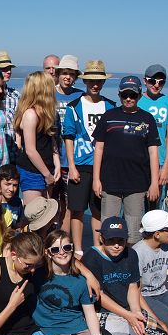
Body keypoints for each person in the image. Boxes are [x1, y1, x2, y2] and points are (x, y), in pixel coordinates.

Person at [92, 76, 160, 245]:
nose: (128, 98)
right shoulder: (108, 116)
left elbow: (153, 152)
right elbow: (98, 149)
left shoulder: (147, 119)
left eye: (133, 95)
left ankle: (132, 258)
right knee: (109, 229)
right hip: (110, 181)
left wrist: (154, 183)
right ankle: (108, 258)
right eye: (125, 95)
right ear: (119, 95)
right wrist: (96, 179)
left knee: (134, 232)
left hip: (137, 183)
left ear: (139, 95)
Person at [65, 60, 115, 254]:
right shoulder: (74, 106)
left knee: (98, 210)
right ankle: (78, 250)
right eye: (91, 80)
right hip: (80, 164)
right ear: (85, 81)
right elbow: (68, 137)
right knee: (77, 209)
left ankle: (98, 248)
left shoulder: (110, 106)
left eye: (99, 81)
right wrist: (71, 166)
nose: (95, 84)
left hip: (103, 166)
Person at [13, 72, 59, 204]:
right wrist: (47, 175)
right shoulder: (30, 114)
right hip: (33, 171)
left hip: (47, 168)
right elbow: (30, 150)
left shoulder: (47, 112)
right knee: (34, 213)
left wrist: (57, 164)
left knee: (48, 212)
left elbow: (51, 140)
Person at [139, 64, 168, 209]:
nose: (156, 85)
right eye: (152, 81)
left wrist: (166, 167)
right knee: (135, 206)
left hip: (160, 161)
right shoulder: (136, 100)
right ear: (145, 81)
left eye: (161, 82)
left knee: (154, 206)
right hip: (138, 161)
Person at [53, 55, 84, 233]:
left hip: (72, 159)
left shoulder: (80, 96)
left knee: (69, 203)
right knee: (51, 202)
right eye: (64, 73)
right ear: (58, 74)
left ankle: (64, 239)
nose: (67, 77)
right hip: (52, 156)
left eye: (72, 74)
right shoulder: (49, 94)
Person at [0, 50, 20, 164]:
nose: (8, 71)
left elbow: (19, 123)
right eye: (4, 68)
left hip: (12, 153)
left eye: (9, 68)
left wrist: (19, 144)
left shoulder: (15, 95)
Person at [0, 164, 25, 229]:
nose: (11, 189)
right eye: (8, 184)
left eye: (15, 185)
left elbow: (19, 225)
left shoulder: (17, 202)